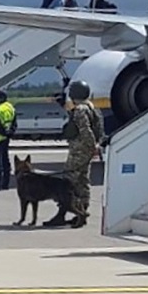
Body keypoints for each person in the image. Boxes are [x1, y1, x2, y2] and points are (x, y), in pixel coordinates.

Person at [49, 80, 103, 228]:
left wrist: (92, 146)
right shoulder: (92, 108)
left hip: (79, 150)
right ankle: (82, 213)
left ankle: (62, 214)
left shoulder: (80, 109)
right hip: (86, 151)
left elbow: (84, 129)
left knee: (67, 183)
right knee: (83, 182)